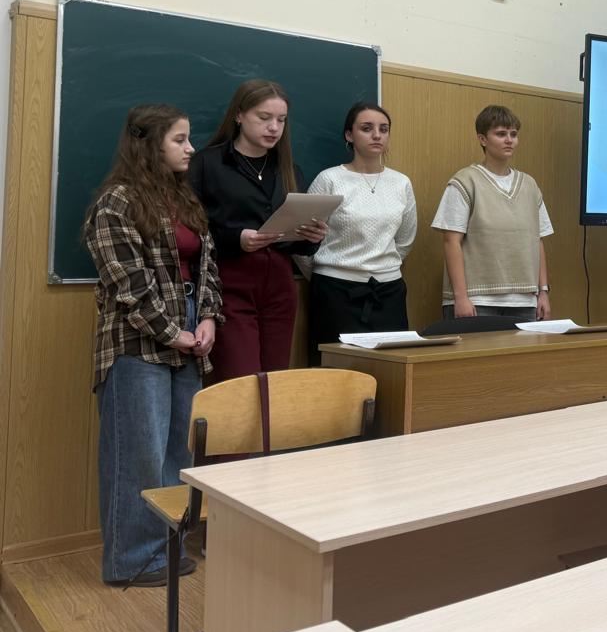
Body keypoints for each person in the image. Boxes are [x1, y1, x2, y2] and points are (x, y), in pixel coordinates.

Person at [84, 104, 222, 588]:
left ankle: (166, 549)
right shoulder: (116, 202)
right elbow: (129, 285)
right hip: (135, 342)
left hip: (188, 331)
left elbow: (207, 267)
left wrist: (207, 317)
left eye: (189, 138)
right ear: (149, 144)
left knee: (177, 453)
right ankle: (132, 560)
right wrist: (174, 332)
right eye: (179, 140)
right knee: (137, 452)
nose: (191, 148)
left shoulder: (183, 198)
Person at [188, 79, 326, 381]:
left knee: (275, 377)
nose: (274, 127)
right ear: (239, 115)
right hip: (230, 281)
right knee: (240, 377)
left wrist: (311, 239)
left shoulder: (289, 169)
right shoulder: (207, 164)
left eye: (281, 120)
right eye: (264, 118)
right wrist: (236, 239)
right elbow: (188, 232)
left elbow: (295, 243)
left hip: (280, 284)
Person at [299, 102, 417, 366]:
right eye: (367, 128)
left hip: (388, 292)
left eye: (383, 129)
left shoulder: (401, 182)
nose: (377, 135)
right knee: (337, 372)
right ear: (349, 135)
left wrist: (380, 267)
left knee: (390, 370)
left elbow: (405, 240)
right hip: (336, 292)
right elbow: (303, 242)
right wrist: (328, 273)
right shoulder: (330, 179)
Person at [432, 104, 552, 322]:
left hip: (524, 301)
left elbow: (538, 240)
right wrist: (461, 297)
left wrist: (543, 291)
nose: (509, 140)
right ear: (482, 139)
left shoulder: (530, 185)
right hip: (477, 300)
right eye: (501, 134)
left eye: (513, 134)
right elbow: (451, 241)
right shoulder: (464, 181)